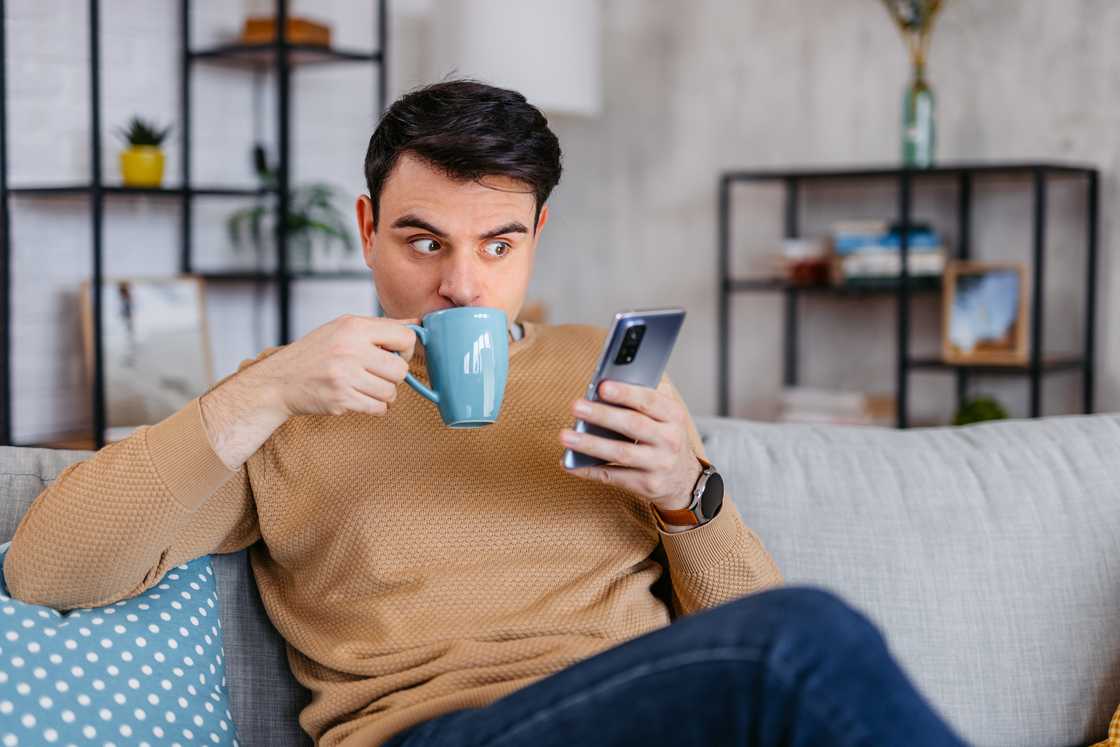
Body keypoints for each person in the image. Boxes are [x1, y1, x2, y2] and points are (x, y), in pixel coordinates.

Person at [4, 80, 969, 747]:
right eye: (423, 240)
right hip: (444, 731)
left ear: (538, 236)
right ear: (367, 228)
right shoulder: (292, 401)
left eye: (498, 245)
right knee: (809, 634)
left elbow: (734, 634)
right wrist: (259, 392)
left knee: (793, 641)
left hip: (643, 714)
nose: (462, 284)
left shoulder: (609, 373)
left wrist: (689, 494)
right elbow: (49, 567)